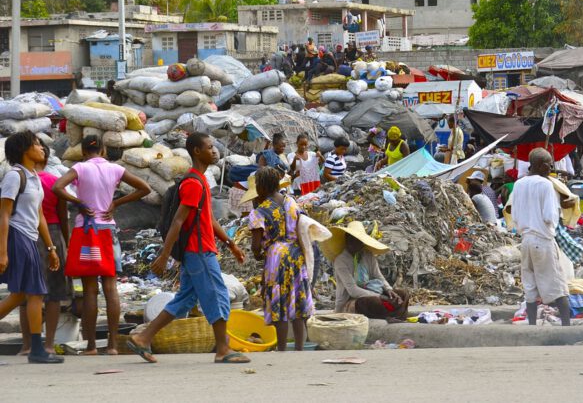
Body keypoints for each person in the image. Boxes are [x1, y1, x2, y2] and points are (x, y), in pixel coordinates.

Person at [128, 132, 250, 364]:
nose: (214, 151)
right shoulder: (193, 183)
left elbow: (209, 219)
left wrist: (231, 243)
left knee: (184, 299)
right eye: (210, 147)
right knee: (217, 294)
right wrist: (164, 255)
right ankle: (223, 349)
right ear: (197, 151)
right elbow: (178, 221)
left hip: (197, 251)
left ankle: (143, 338)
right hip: (199, 251)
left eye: (214, 147)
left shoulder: (201, 180)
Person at [52, 134, 150, 355]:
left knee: (89, 290)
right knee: (110, 287)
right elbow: (145, 188)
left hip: (85, 231)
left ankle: (92, 346)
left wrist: (78, 202)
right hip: (107, 230)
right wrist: (116, 202)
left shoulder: (80, 168)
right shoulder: (115, 169)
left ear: (84, 152)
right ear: (104, 151)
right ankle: (114, 345)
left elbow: (58, 187)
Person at [0, 131, 64, 363]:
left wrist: (51, 248)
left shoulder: (35, 177)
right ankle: (37, 350)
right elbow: (4, 215)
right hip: (17, 237)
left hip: (30, 238)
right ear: (24, 149)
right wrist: (3, 252)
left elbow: (39, 216)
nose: (41, 148)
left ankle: (37, 349)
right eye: (36, 144)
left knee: (20, 296)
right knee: (35, 293)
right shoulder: (14, 176)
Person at [248, 167, 314, 351]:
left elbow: (255, 246)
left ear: (260, 187)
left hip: (276, 257)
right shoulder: (291, 202)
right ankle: (300, 347)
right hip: (295, 253)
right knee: (297, 299)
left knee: (280, 302)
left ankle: (283, 348)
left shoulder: (259, 211)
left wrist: (258, 254)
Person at [506, 148, 571, 327]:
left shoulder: (519, 184)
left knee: (530, 286)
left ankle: (532, 326)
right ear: (542, 166)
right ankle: (567, 327)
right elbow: (550, 216)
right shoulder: (546, 185)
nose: (551, 167)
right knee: (557, 285)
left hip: (526, 241)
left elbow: (515, 216)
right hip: (542, 240)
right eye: (549, 164)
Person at [18, 144, 71, 356]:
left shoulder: (20, 180)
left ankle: (27, 345)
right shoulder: (53, 182)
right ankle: (48, 344)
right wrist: (64, 243)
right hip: (53, 233)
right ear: (46, 160)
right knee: (54, 293)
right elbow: (63, 214)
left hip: (24, 235)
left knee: (25, 294)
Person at [322, 221, 409, 320]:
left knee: (403, 294)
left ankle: (394, 314)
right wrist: (379, 296)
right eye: (352, 239)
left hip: (374, 292)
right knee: (372, 302)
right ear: (347, 240)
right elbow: (353, 290)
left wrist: (389, 290)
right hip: (352, 301)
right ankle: (392, 313)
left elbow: (378, 276)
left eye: (358, 240)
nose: (356, 243)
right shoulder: (341, 261)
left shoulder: (368, 256)